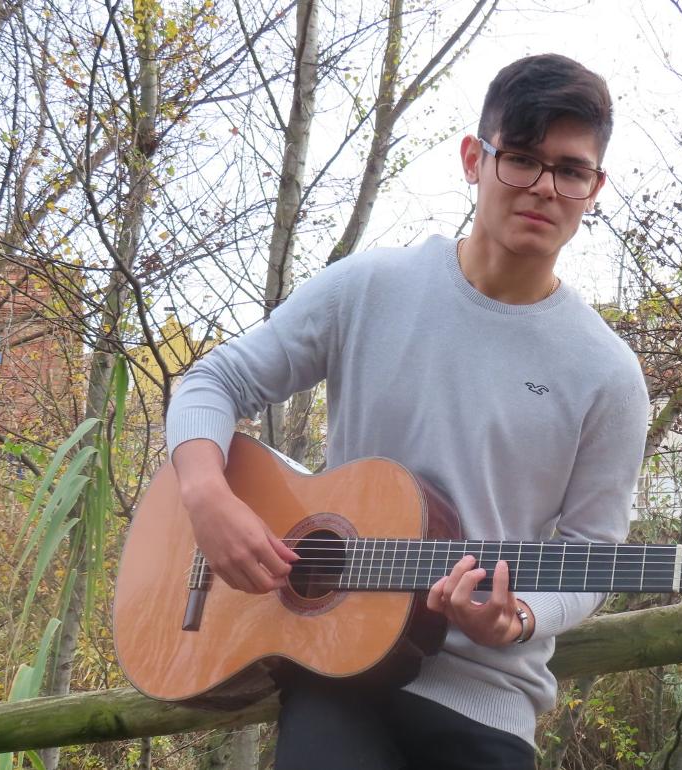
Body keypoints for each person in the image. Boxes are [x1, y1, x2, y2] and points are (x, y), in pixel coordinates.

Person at [164, 53, 649, 770]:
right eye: (521, 158)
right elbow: (213, 380)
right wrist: (205, 495)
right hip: (336, 668)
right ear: (473, 159)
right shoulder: (372, 288)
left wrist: (517, 617)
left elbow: (595, 551)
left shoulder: (607, 374)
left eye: (571, 170)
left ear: (594, 186)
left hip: (488, 695)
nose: (545, 188)